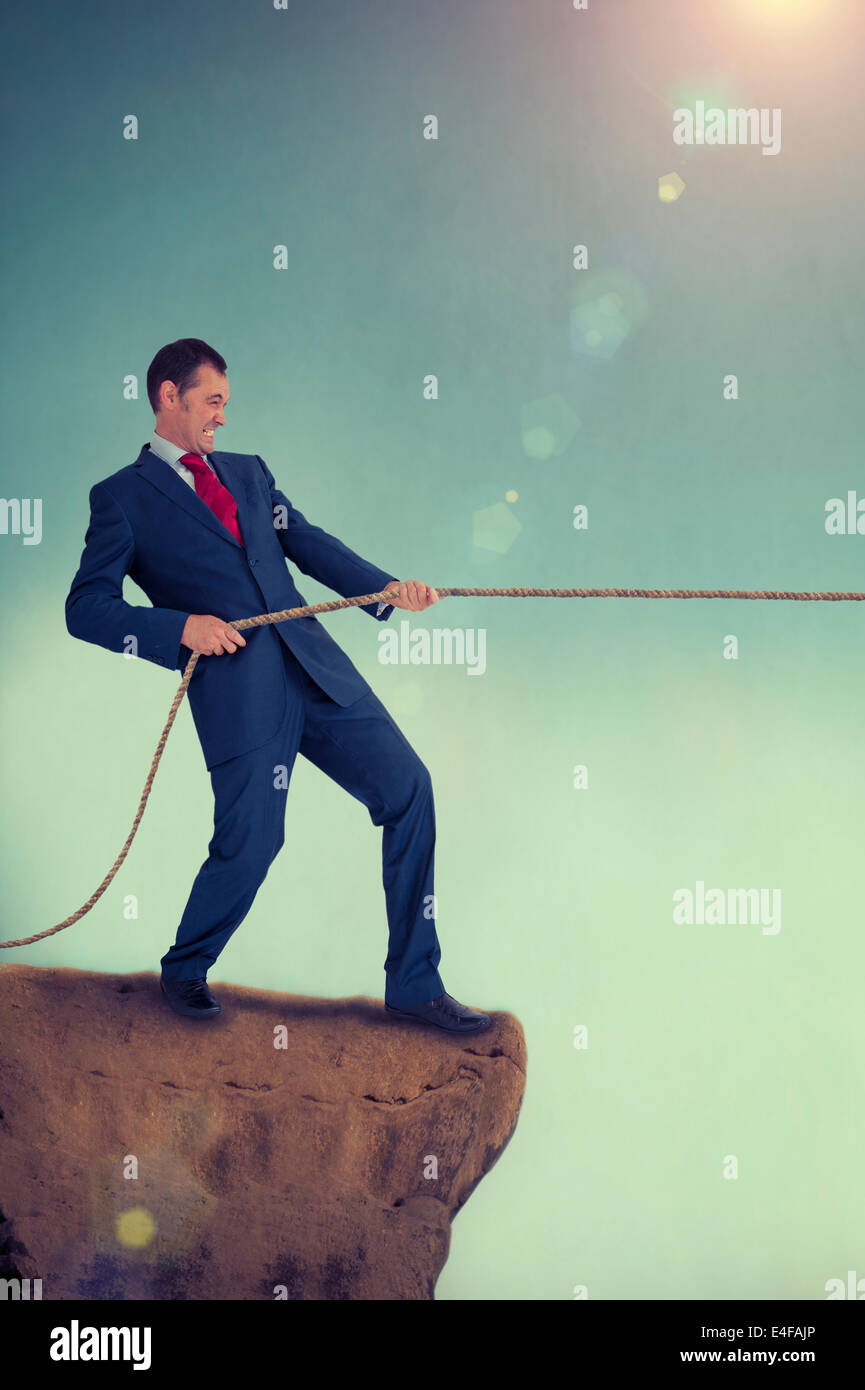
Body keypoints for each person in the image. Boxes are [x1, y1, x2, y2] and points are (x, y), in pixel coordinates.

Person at [65, 338, 490, 1033]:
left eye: (225, 404)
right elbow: (85, 609)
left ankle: (414, 984)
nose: (222, 418)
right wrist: (179, 628)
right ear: (168, 397)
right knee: (255, 840)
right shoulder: (120, 500)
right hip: (240, 692)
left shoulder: (250, 474)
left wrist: (384, 589)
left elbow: (307, 541)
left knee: (409, 788)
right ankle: (184, 969)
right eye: (212, 402)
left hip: (317, 668)